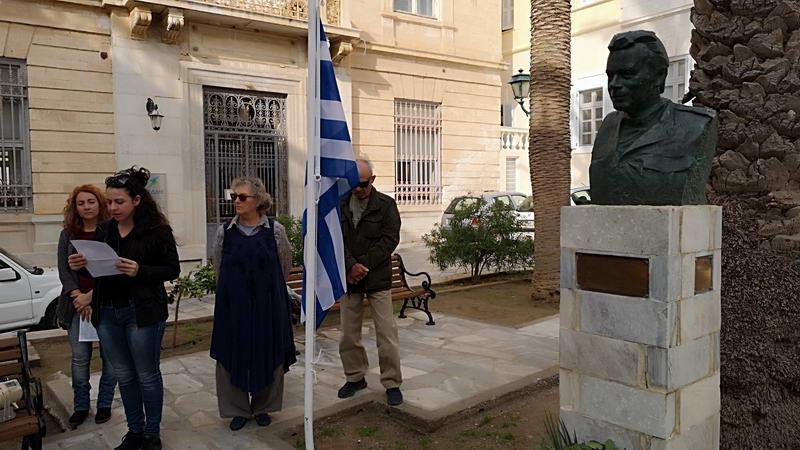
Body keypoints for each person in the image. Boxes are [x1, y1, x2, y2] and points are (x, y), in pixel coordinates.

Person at [69, 167, 180, 450]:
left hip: (141, 312)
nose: (112, 208)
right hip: (107, 312)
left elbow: (172, 269)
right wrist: (82, 265)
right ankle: (134, 432)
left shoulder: (157, 230)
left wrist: (140, 270)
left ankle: (152, 434)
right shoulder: (105, 230)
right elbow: (100, 269)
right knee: (124, 375)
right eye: (109, 202)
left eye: (119, 202)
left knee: (146, 375)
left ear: (137, 200)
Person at [589, 30, 718, 206]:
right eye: (611, 76)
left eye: (627, 75)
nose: (614, 85)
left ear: (659, 76)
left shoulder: (695, 125)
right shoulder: (608, 127)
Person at [210, 176, 296, 431]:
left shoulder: (275, 231)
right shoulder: (224, 232)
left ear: (258, 200)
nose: (236, 201)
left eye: (242, 197)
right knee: (230, 352)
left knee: (270, 350)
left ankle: (263, 407)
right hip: (232, 306)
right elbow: (218, 266)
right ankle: (237, 409)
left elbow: (285, 265)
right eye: (233, 196)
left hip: (268, 304)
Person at [337, 159, 403, 406]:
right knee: (348, 334)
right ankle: (355, 377)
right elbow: (336, 238)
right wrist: (350, 266)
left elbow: (389, 239)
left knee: (386, 334)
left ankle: (392, 382)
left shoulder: (386, 205)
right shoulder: (341, 204)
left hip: (376, 277)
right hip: (350, 278)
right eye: (353, 183)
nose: (358, 189)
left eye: (363, 184)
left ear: (372, 180)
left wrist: (362, 265)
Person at [56, 184, 117, 428]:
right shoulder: (68, 234)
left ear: (99, 204)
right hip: (75, 304)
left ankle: (104, 404)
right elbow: (63, 269)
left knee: (110, 358)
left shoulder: (110, 231)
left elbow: (113, 270)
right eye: (80, 203)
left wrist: (90, 297)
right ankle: (81, 405)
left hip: (106, 303)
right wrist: (78, 297)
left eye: (91, 202)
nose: (86, 207)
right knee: (80, 359)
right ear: (75, 207)